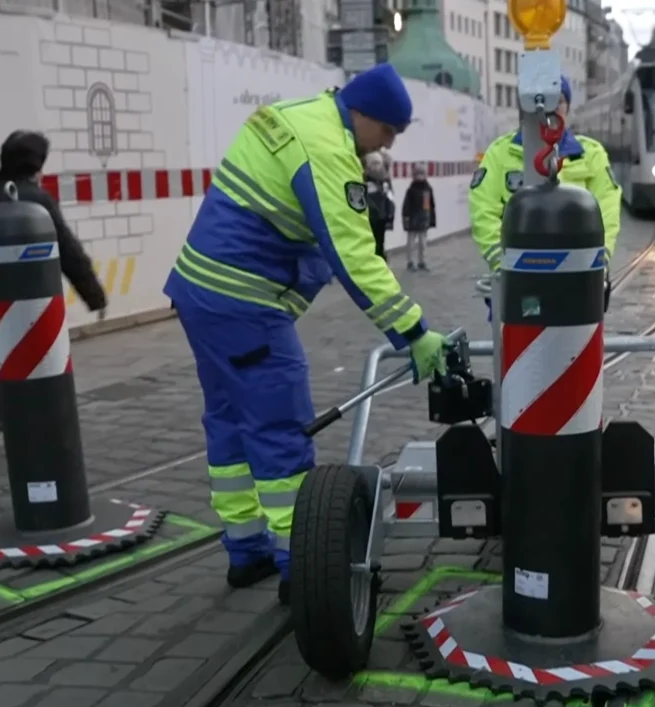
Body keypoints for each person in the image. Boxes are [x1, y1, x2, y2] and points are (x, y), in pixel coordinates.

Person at [163, 63, 449, 605]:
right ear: (362, 112)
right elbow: (353, 253)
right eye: (387, 130)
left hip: (199, 291)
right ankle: (301, 564)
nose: (386, 144)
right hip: (243, 302)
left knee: (229, 420)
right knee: (278, 427)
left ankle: (244, 549)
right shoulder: (325, 149)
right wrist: (414, 331)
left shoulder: (300, 116)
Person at [0, 130, 107, 448]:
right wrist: (94, 295)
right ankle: (14, 422)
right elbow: (68, 251)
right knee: (26, 356)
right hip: (22, 301)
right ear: (36, 164)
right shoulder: (36, 201)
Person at [469, 76, 620, 313]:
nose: (550, 109)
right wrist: (505, 264)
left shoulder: (591, 155)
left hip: (579, 280)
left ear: (568, 107)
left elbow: (608, 214)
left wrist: (598, 263)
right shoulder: (500, 154)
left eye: (558, 101)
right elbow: (483, 212)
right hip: (519, 284)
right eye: (545, 102)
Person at [401, 162, 436, 272]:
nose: (419, 176)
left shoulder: (427, 189)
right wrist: (406, 219)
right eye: (417, 173)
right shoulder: (411, 190)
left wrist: (430, 219)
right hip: (412, 220)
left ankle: (422, 262)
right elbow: (406, 206)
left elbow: (429, 206)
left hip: (423, 221)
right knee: (411, 243)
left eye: (422, 173)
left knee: (423, 243)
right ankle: (410, 262)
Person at [364, 152, 395, 261]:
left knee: (380, 242)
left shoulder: (385, 180)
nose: (376, 167)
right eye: (373, 164)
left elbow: (390, 197)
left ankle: (380, 260)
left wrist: (390, 213)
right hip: (368, 217)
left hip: (381, 216)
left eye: (378, 164)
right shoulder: (363, 178)